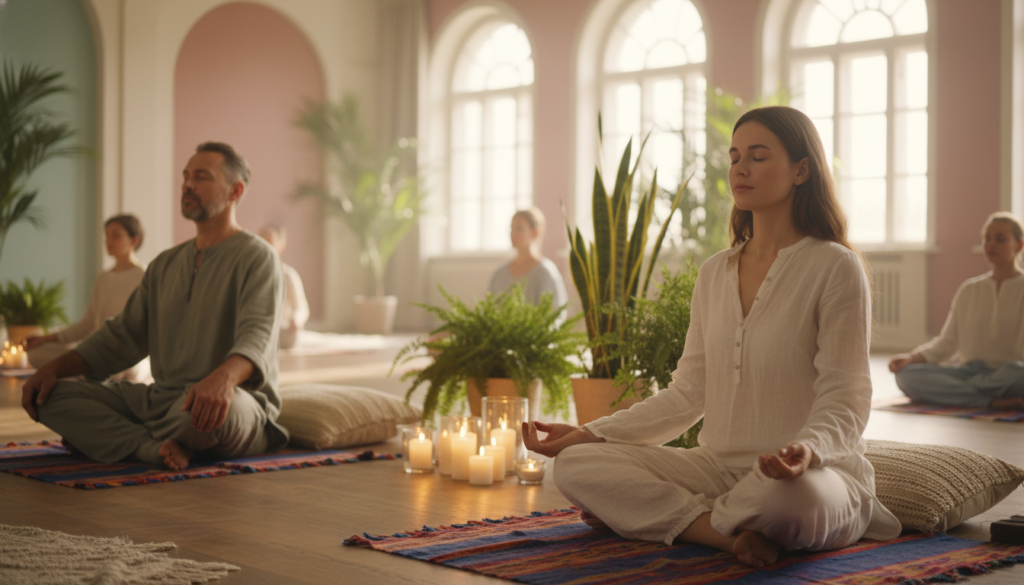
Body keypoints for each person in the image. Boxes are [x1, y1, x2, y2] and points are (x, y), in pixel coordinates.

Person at [524, 106, 900, 568]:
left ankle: (669, 518)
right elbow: (688, 393)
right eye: (735, 156)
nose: (740, 168)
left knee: (789, 501)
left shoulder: (835, 266)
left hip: (811, 476)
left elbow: (847, 397)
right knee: (576, 465)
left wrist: (809, 450)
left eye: (758, 157)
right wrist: (591, 432)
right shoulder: (714, 273)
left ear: (802, 169)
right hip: (716, 469)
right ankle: (725, 536)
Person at [20, 141, 288, 471]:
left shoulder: (258, 258)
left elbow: (257, 337)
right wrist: (52, 369)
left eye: (201, 177)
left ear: (235, 190)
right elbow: (120, 337)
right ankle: (152, 447)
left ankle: (119, 441)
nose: (188, 184)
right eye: (185, 176)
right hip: (161, 400)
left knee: (210, 415)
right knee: (48, 397)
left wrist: (221, 381)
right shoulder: (164, 264)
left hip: (232, 401)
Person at [889, 212, 1024, 410]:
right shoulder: (969, 289)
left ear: (1019, 245)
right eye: (987, 239)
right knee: (906, 376)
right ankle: (990, 401)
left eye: (1000, 239)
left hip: (1011, 374)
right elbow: (947, 343)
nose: (991, 245)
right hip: (969, 372)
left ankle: (962, 393)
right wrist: (912, 358)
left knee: (1019, 373)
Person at [24, 215, 146, 373]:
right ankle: (90, 372)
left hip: (126, 353)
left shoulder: (144, 276)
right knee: (37, 353)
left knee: (127, 369)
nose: (108, 240)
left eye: (115, 235)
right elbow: (87, 324)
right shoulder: (103, 278)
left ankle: (90, 373)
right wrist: (45, 338)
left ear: (134, 240)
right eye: (107, 235)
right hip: (97, 348)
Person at [488, 207, 568, 311]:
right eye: (511, 229)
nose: (513, 234)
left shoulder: (546, 272)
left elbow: (556, 313)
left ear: (534, 232)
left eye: (519, 229)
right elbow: (489, 309)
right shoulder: (499, 273)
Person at [259, 225, 310, 350]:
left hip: (283, 330)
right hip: (261, 329)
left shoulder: (289, 275)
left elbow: (302, 308)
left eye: (270, 241)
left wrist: (296, 320)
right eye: (262, 240)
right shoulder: (255, 275)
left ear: (281, 245)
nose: (266, 245)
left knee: (289, 338)